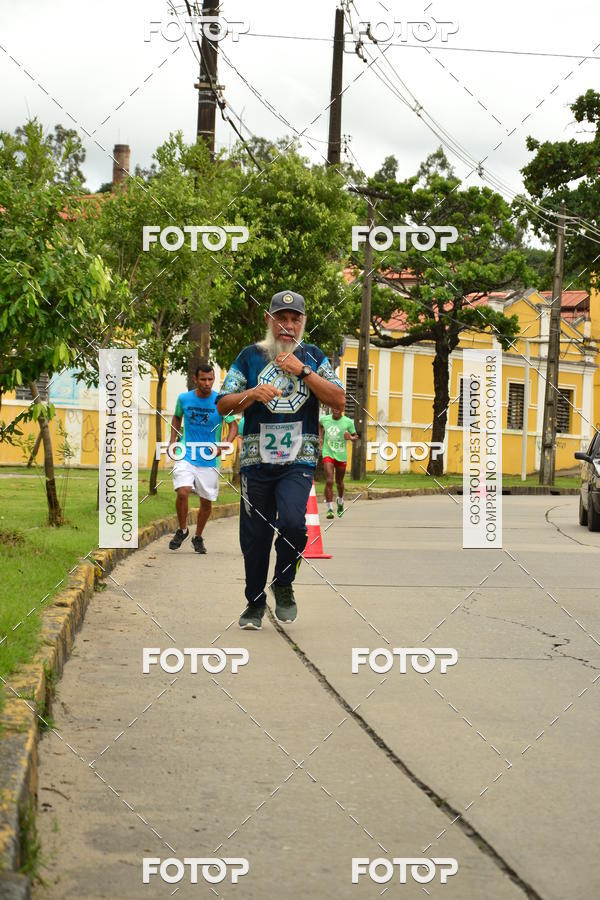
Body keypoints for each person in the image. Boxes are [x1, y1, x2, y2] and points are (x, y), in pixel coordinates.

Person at [217, 290, 345, 630]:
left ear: (303, 322)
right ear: (269, 321)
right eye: (281, 319)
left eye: (294, 319)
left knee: (292, 523)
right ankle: (254, 603)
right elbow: (223, 404)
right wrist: (251, 394)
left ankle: (284, 582)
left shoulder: (314, 357)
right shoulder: (250, 357)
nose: (287, 326)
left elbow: (339, 400)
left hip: (298, 461)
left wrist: (303, 371)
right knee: (255, 536)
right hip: (255, 463)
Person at [168, 365, 238, 553]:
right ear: (195, 380)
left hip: (209, 459)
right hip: (186, 453)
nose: (207, 383)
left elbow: (234, 427)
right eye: (203, 379)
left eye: (210, 379)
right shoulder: (184, 399)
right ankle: (182, 530)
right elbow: (176, 418)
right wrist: (172, 441)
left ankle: (198, 537)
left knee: (206, 502)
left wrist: (224, 444)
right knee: (183, 492)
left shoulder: (220, 401)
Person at [319, 407, 358, 518]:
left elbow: (356, 436)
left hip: (341, 455)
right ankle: (330, 509)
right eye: (333, 408)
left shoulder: (348, 422)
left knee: (339, 482)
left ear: (341, 409)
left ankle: (340, 501)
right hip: (328, 453)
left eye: (338, 408)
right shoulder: (325, 419)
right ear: (331, 408)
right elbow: (320, 425)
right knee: (329, 480)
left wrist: (350, 437)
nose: (335, 410)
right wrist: (321, 438)